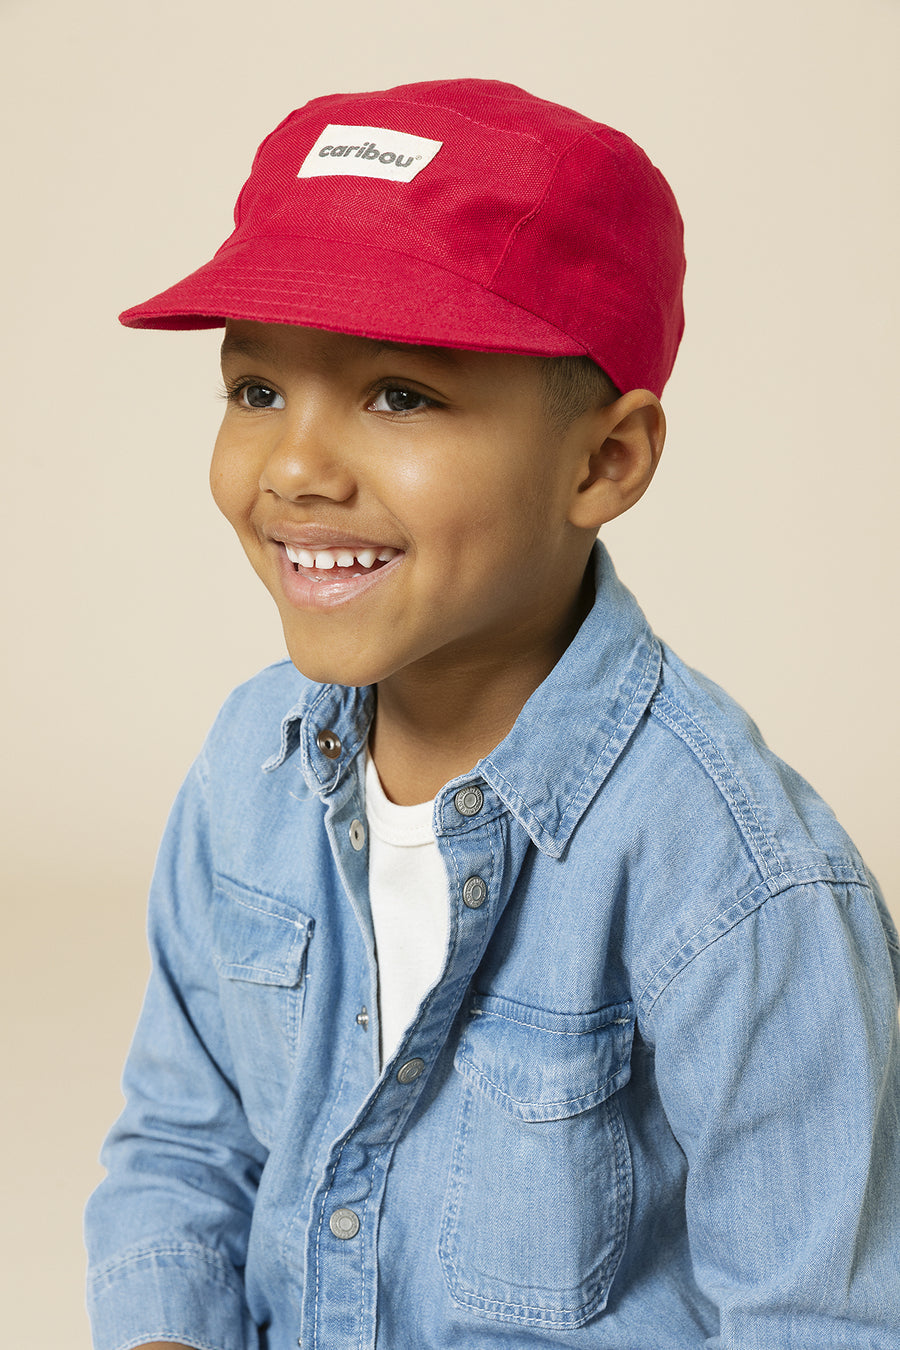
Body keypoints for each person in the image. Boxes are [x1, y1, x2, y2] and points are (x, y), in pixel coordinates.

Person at [84, 78, 900, 1350]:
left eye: (398, 395)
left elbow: (820, 1315)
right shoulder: (248, 767)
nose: (295, 466)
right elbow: (186, 1146)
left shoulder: (743, 885)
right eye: (255, 392)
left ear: (603, 463)